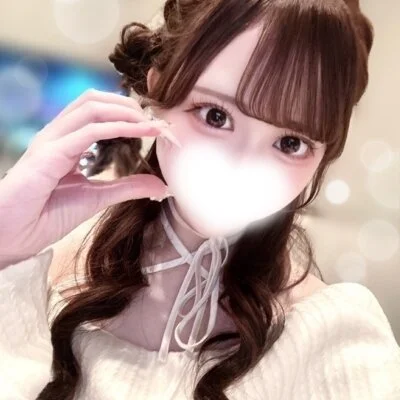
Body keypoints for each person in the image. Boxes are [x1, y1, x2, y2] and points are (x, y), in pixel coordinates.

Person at [0, 0, 399, 399]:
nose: (242, 167)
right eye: (215, 116)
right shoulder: (37, 268)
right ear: (158, 89)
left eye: (291, 143)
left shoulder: (334, 335)